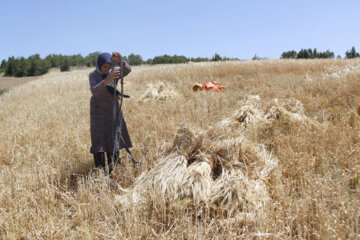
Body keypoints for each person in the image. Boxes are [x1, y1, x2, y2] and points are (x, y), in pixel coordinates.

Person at [89, 52, 132, 174]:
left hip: (112, 109)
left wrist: (120, 61)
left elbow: (128, 70)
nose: (106, 69)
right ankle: (99, 171)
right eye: (104, 67)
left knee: (113, 137)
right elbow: (94, 91)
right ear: (99, 65)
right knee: (99, 138)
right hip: (97, 111)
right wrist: (108, 79)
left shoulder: (114, 72)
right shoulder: (93, 75)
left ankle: (114, 169)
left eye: (109, 66)